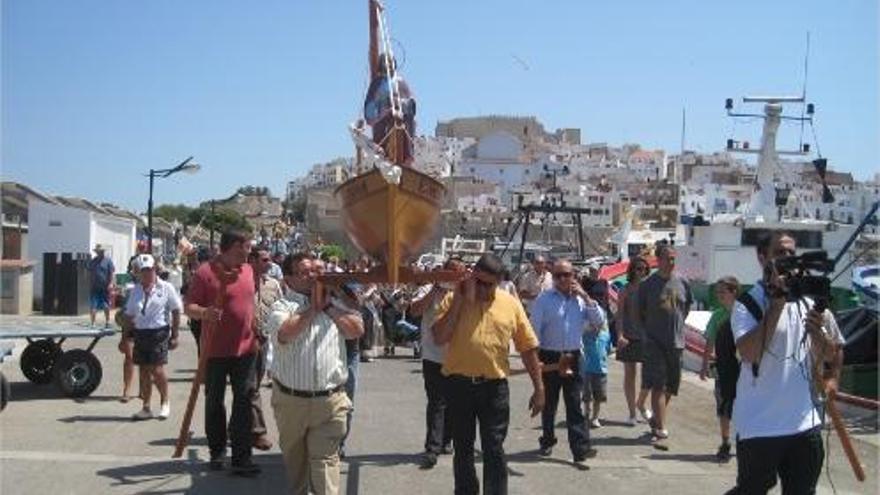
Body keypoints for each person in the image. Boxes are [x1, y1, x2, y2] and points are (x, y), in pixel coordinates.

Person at [727, 232, 844, 494]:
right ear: (762, 258)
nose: (789, 258)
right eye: (780, 252)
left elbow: (833, 352)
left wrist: (831, 374)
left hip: (805, 424)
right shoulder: (748, 304)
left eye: (792, 252)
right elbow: (748, 353)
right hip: (759, 426)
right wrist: (776, 306)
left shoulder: (810, 301)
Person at [433, 253, 545, 495]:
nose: (483, 289)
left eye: (489, 284)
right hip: (459, 385)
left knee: (494, 448)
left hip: (494, 388)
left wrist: (539, 388)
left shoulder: (510, 304)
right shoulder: (454, 299)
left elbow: (527, 347)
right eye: (479, 282)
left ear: (499, 281)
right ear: (472, 276)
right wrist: (460, 301)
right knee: (462, 448)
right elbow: (439, 337)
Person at [266, 252, 364, 495]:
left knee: (325, 462)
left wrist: (328, 306)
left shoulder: (337, 304)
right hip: (291, 403)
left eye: (314, 271)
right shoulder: (282, 306)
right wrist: (313, 310)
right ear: (288, 280)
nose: (313, 276)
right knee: (296, 463)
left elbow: (356, 330)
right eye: (304, 272)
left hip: (330, 402)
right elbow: (285, 333)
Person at [185, 230, 261, 476]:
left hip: (246, 348)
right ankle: (217, 452)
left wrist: (257, 326)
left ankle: (241, 457)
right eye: (246, 247)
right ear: (232, 247)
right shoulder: (205, 273)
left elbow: (251, 302)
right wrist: (205, 313)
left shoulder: (249, 270)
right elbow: (190, 307)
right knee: (214, 401)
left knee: (244, 401)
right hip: (215, 350)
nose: (249, 251)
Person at [529, 259, 603, 462]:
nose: (562, 279)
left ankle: (580, 449)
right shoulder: (544, 300)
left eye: (566, 275)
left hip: (573, 357)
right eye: (558, 275)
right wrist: (534, 360)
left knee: (574, 404)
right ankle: (547, 439)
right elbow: (533, 333)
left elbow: (599, 322)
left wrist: (586, 297)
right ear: (552, 277)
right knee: (549, 404)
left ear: (574, 276)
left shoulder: (581, 300)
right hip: (550, 356)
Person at [409, 257, 467, 469]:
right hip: (433, 356)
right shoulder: (428, 289)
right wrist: (434, 290)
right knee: (436, 402)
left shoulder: (465, 291)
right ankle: (432, 447)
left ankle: (446, 440)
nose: (453, 276)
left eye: (458, 272)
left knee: (455, 402)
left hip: (459, 356)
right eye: (450, 272)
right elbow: (414, 310)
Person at [637, 244, 692, 449]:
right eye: (668, 258)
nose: (671, 262)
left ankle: (655, 419)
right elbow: (639, 313)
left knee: (671, 387)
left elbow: (685, 308)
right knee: (658, 386)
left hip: (676, 342)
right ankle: (660, 428)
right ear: (658, 260)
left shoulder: (683, 282)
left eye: (673, 258)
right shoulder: (647, 285)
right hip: (654, 342)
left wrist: (677, 328)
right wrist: (647, 334)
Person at [123, 254, 182, 420]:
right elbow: (128, 315)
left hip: (159, 332)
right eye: (143, 271)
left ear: (155, 269)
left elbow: (176, 310)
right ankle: (146, 407)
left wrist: (175, 335)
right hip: (141, 333)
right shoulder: (135, 290)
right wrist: (125, 337)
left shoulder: (166, 287)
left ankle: (165, 401)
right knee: (143, 372)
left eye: (149, 270)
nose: (147, 273)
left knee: (157, 370)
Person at [699, 276, 740, 462]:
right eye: (718, 292)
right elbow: (710, 341)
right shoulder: (717, 315)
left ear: (734, 292)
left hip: (743, 370)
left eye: (723, 292)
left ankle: (743, 440)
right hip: (723, 368)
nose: (719, 296)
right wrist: (704, 365)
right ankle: (725, 442)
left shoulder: (744, 314)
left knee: (741, 407)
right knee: (723, 406)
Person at [250, 248, 284, 451]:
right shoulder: (240, 281)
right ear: (252, 260)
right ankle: (257, 431)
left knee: (252, 386)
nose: (269, 263)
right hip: (243, 341)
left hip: (263, 341)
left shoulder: (273, 285)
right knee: (251, 387)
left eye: (270, 259)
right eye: (264, 259)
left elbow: (280, 309)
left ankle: (236, 426)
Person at [615, 256, 652, 426]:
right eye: (638, 268)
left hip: (647, 337)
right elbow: (620, 315)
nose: (641, 272)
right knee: (630, 375)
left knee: (650, 375)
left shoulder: (650, 289)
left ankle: (641, 403)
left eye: (644, 269)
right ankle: (632, 413)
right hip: (629, 337)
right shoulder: (625, 290)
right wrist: (620, 335)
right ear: (632, 270)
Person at [582, 306, 612, 429]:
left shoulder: (606, 336)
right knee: (587, 396)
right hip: (587, 370)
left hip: (601, 370)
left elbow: (608, 350)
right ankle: (586, 415)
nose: (596, 324)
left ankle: (595, 417)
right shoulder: (585, 336)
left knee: (599, 396)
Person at [88, 244, 115, 328]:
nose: (101, 253)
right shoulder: (93, 261)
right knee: (93, 305)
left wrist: (111, 283)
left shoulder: (108, 261)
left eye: (102, 251)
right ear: (97, 252)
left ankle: (107, 322)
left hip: (105, 287)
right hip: (94, 286)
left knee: (106, 305)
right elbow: (89, 272)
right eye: (99, 251)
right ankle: (93, 323)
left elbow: (112, 273)